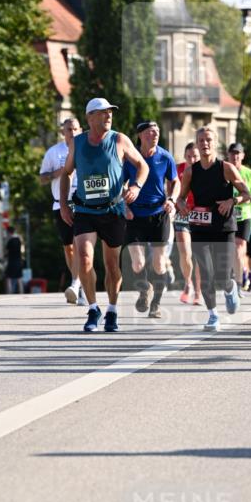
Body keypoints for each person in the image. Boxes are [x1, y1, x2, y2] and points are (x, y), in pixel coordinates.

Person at [60, 97, 148, 333]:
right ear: (90, 117)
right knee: (85, 257)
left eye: (110, 112)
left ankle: (111, 309)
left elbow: (142, 166)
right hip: (85, 210)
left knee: (112, 265)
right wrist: (64, 205)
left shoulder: (119, 139)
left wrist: (136, 186)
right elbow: (66, 174)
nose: (108, 116)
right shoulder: (77, 143)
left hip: (113, 210)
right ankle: (92, 308)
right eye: (102, 112)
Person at [177, 125, 250, 331]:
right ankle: (212, 315)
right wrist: (181, 205)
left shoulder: (226, 168)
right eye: (201, 141)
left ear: (215, 143)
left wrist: (232, 201)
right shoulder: (191, 171)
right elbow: (181, 198)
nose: (205, 144)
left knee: (222, 275)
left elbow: (246, 194)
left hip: (224, 227)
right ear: (197, 144)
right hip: (199, 227)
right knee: (206, 274)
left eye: (209, 140)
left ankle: (230, 288)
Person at [122, 119, 179, 320]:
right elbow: (119, 183)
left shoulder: (165, 157)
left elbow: (175, 181)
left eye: (156, 132)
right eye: (150, 132)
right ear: (140, 136)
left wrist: (172, 199)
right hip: (135, 215)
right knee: (137, 264)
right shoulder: (130, 158)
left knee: (159, 263)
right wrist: (124, 205)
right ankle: (145, 288)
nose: (154, 135)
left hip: (158, 214)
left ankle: (156, 305)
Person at [39, 117, 84, 304]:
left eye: (75, 129)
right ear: (62, 132)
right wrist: (59, 172)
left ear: (80, 130)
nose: (72, 132)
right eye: (68, 129)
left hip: (81, 203)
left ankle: (76, 284)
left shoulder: (85, 149)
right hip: (60, 203)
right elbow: (42, 178)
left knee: (80, 244)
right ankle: (77, 283)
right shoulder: (53, 152)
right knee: (69, 247)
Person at [226, 142, 251, 294]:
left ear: (242, 155)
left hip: (244, 216)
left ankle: (239, 283)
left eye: (238, 153)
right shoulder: (224, 171)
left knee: (240, 248)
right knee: (230, 249)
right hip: (227, 214)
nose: (235, 156)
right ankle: (235, 274)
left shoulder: (250, 174)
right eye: (233, 153)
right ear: (228, 155)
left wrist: (247, 198)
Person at [175, 141, 203, 304]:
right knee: (185, 252)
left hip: (200, 215)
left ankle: (198, 292)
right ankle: (188, 283)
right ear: (185, 156)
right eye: (189, 156)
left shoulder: (204, 171)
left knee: (199, 255)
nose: (192, 159)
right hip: (183, 214)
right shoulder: (178, 169)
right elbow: (170, 187)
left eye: (195, 156)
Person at [4, 225, 24, 294]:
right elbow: (22, 250)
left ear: (9, 232)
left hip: (11, 261)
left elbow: (6, 251)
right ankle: (21, 292)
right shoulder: (19, 239)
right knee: (19, 278)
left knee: (8, 277)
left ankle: (9, 292)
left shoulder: (10, 240)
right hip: (18, 260)